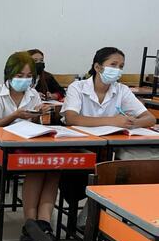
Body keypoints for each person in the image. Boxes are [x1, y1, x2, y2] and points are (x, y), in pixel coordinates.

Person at [59, 47, 157, 231]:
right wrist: (112, 120)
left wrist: (132, 123)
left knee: (127, 166)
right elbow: (72, 118)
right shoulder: (77, 87)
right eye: (113, 65)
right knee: (105, 168)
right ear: (98, 67)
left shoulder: (121, 90)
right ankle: (92, 214)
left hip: (111, 146)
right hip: (81, 146)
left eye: (121, 66)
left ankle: (97, 214)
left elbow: (150, 118)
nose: (118, 70)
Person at [0, 51, 58, 241]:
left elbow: (34, 125)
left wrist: (40, 115)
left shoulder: (33, 94)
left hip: (28, 143)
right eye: (19, 75)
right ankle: (31, 221)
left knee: (54, 165)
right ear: (9, 74)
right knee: (38, 165)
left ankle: (43, 223)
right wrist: (15, 115)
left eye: (29, 76)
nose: (24, 80)